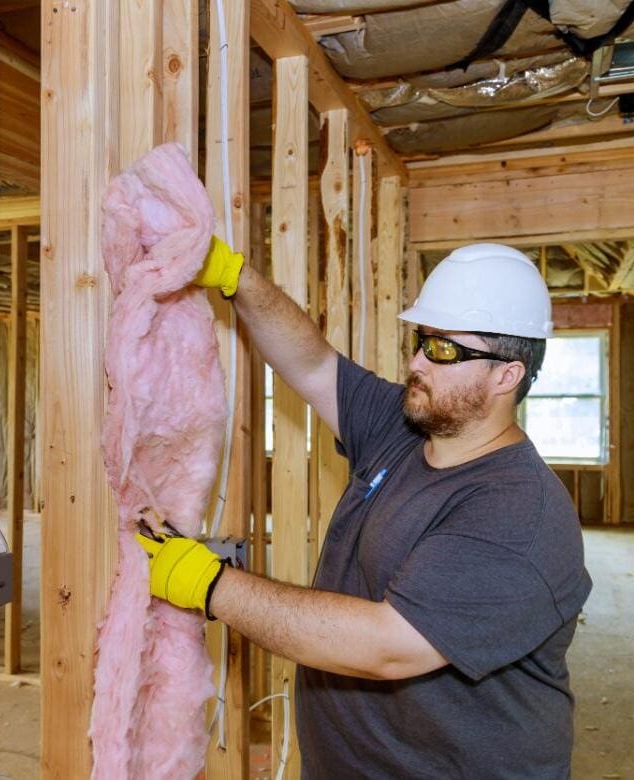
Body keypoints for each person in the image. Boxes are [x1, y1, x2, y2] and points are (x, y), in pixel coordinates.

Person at [136, 240, 593, 779]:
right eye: (421, 340)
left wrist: (211, 585)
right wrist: (237, 277)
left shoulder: (519, 513)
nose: (417, 361)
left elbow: (387, 646)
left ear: (506, 376)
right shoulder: (404, 428)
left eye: (445, 351)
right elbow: (312, 363)